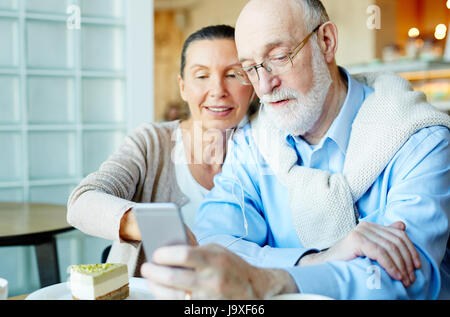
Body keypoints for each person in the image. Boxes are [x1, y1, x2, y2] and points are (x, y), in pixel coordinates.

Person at [140, 0, 450, 300]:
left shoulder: (420, 139)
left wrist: (267, 279)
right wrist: (314, 260)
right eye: (250, 68)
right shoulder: (253, 142)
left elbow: (405, 280)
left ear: (326, 41)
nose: (264, 85)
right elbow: (214, 241)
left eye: (278, 57)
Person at [67, 25, 255, 276]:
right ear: (182, 87)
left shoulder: (267, 147)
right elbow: (82, 203)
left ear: (252, 84)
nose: (218, 90)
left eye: (233, 74)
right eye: (201, 76)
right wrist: (153, 225)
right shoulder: (151, 142)